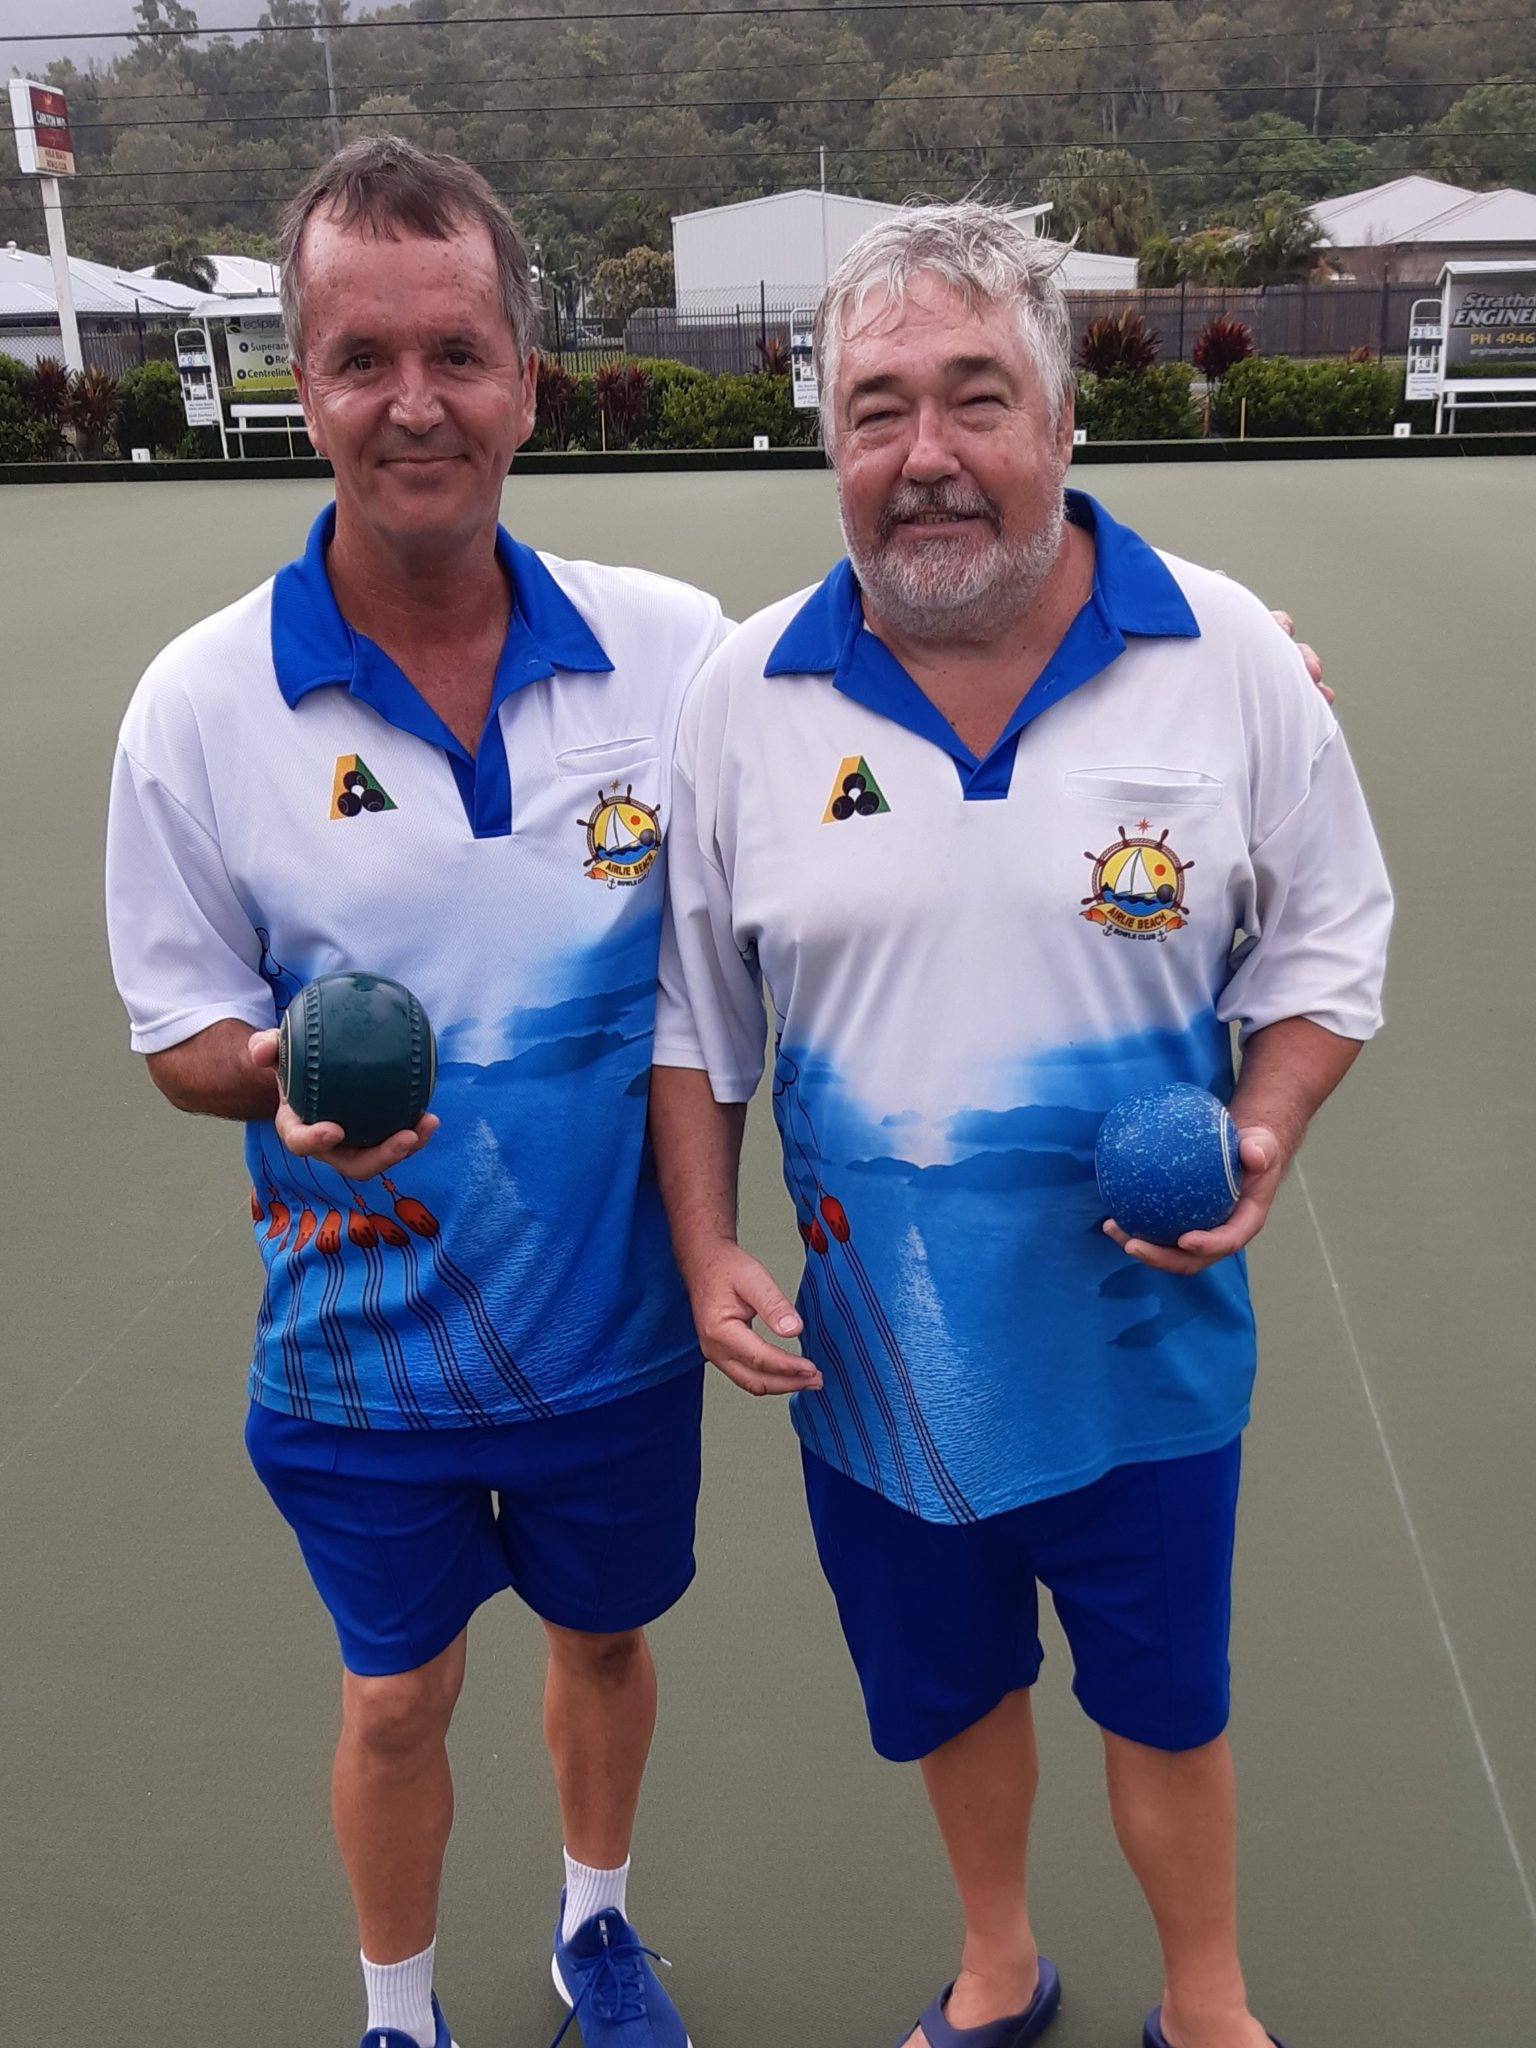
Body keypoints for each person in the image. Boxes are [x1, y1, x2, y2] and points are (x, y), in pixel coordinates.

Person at [649, 203, 1392, 2048]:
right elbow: (694, 1017)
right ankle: (1002, 1962)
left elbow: (1329, 943)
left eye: (977, 398)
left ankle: (1205, 2005)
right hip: (876, 1356)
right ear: (830, 446)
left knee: (1166, 1703)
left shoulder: (1223, 656)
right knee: (950, 1688)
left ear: (1063, 423)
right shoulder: (742, 694)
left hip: (1141, 1337)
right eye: (877, 409)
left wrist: (1272, 1120)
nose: (927, 456)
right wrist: (705, 1236)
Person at [105, 139, 725, 2048]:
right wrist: (273, 1071)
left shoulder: (679, 654)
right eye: (361, 359)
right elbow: (177, 1032)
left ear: (530, 379)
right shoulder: (198, 709)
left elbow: (896, 688)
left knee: (607, 1640)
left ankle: (595, 1929)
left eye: (457, 354)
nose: (414, 403)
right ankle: (400, 2013)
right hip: (363, 1344)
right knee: (396, 1695)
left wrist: (1223, 670)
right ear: (308, 387)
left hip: (618, 1333)